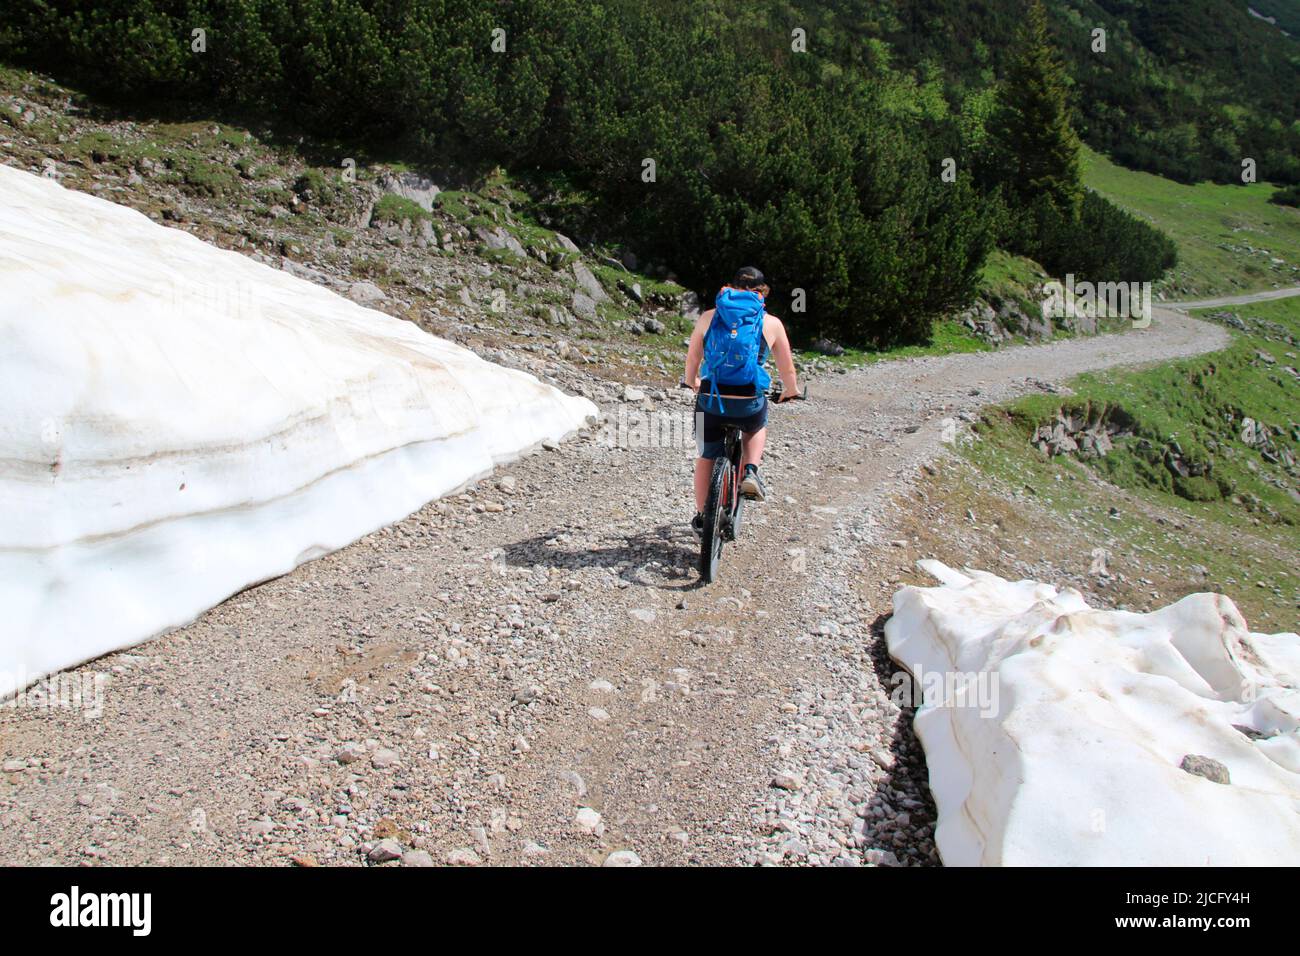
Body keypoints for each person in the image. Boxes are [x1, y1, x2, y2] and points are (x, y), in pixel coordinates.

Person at [684, 266, 800, 536]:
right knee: (756, 426)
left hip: (710, 400)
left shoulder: (710, 316)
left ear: (731, 286)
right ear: (762, 292)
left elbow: (693, 358)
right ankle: (750, 472)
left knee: (706, 456)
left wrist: (692, 382)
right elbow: (787, 369)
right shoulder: (771, 323)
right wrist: (790, 390)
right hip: (748, 399)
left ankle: (703, 517)